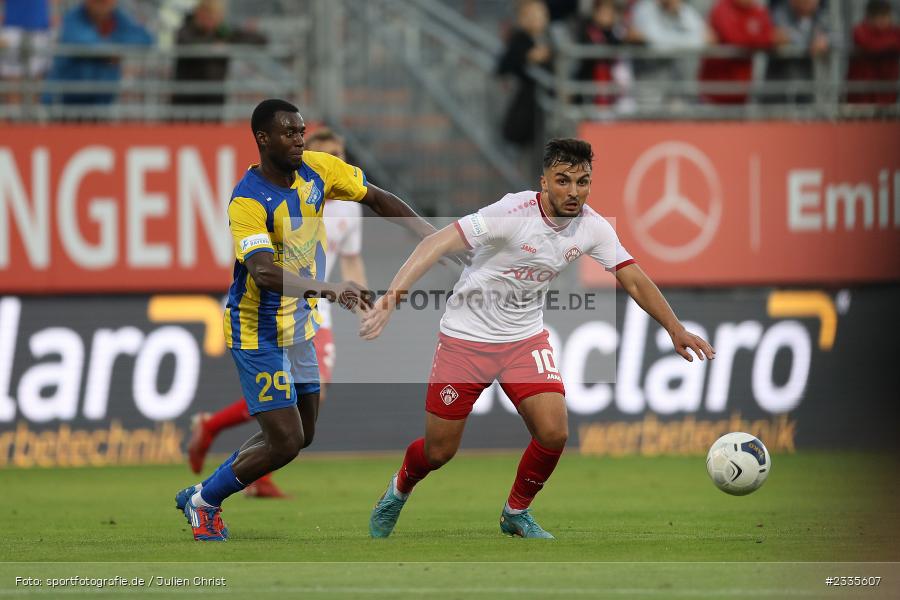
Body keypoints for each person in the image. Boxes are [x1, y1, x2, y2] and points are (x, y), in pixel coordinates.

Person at [361, 138, 715, 539]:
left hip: (523, 341)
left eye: (583, 182)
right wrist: (392, 298)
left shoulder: (593, 227)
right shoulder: (510, 213)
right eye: (563, 181)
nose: (574, 192)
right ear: (543, 182)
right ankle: (398, 489)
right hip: (465, 340)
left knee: (553, 432)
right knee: (439, 451)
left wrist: (675, 327)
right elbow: (434, 242)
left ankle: (516, 512)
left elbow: (632, 276)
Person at [174, 99, 443, 542]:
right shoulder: (247, 200)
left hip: (300, 325)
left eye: (301, 131)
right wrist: (334, 291)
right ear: (263, 139)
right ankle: (206, 503)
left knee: (303, 435)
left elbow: (379, 198)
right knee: (284, 439)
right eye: (288, 133)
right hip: (255, 327)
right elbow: (262, 271)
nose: (299, 140)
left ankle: (203, 491)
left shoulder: (320, 170)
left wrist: (437, 239)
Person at [184, 128, 368, 499]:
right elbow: (261, 267)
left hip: (314, 312)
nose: (335, 161)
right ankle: (236, 471)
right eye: (325, 154)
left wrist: (367, 305)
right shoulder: (273, 198)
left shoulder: (349, 209)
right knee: (285, 409)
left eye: (339, 154)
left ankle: (225, 444)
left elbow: (350, 261)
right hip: (266, 310)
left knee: (303, 410)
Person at [43, 0, 153, 106]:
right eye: (98, 1)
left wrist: (111, 49)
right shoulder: (73, 18)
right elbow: (84, 43)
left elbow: (145, 38)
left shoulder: (118, 18)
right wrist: (112, 52)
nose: (101, 5)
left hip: (100, 106)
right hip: (65, 105)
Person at [171, 0, 266, 111]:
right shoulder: (186, 30)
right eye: (210, 16)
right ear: (200, 14)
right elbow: (186, 42)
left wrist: (251, 32)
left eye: (216, 17)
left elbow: (259, 40)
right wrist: (213, 47)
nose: (213, 21)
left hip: (214, 98)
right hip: (186, 98)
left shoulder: (223, 32)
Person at [629, 0, 709, 106]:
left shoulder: (682, 9)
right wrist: (688, 40)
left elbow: (702, 40)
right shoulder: (644, 7)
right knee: (648, 119)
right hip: (649, 86)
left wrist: (678, 13)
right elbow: (657, 45)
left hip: (677, 87)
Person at [699, 0, 780, 104]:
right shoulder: (722, 7)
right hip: (714, 93)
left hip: (742, 94)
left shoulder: (757, 10)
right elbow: (733, 38)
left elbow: (769, 32)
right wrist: (764, 40)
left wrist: (765, 39)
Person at [497, 0, 551, 150]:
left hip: (541, 113)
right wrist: (528, 56)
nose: (540, 19)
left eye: (542, 14)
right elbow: (503, 66)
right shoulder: (520, 39)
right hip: (526, 111)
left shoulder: (548, 39)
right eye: (534, 15)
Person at [764, 0, 831, 104]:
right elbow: (775, 35)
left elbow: (840, 37)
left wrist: (826, 40)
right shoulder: (779, 12)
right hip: (777, 86)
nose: (808, 3)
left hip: (806, 87)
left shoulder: (822, 15)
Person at [847, 0, 900, 105]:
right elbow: (867, 43)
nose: (881, 22)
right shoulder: (860, 30)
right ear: (869, 17)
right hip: (861, 94)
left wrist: (879, 44)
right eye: (877, 17)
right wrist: (888, 45)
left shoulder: (895, 32)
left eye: (884, 16)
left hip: (887, 94)